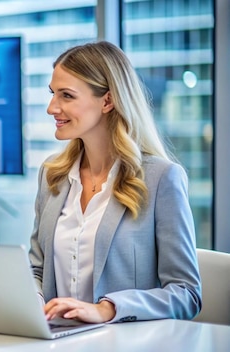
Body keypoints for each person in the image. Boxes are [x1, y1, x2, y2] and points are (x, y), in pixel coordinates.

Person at [29, 41, 202, 324]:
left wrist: (107, 308)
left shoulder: (161, 179)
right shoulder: (52, 176)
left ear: (107, 101)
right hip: (57, 340)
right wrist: (32, 300)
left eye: (66, 96)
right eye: (52, 94)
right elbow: (37, 268)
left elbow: (186, 294)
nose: (52, 108)